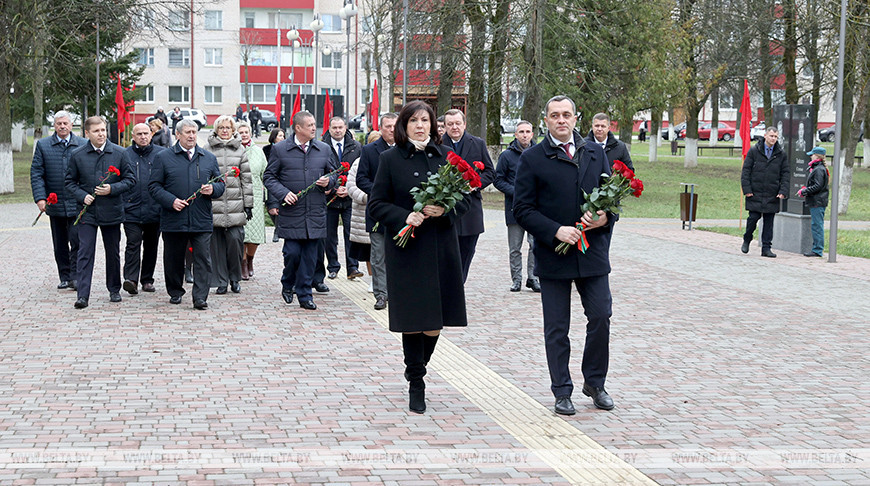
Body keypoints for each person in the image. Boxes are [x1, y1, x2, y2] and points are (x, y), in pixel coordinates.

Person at [513, 95, 615, 414]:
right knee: (557, 326)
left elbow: (611, 200)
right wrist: (555, 230)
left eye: (567, 115)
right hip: (553, 253)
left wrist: (605, 217)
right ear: (546, 120)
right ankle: (562, 389)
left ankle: (595, 382)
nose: (561, 120)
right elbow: (522, 209)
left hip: (592, 252)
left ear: (576, 118)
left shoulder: (595, 153)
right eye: (555, 115)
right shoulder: (532, 158)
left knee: (601, 315)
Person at [368, 100, 471, 414]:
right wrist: (404, 216)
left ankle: (419, 365)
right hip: (408, 251)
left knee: (435, 324)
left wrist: (446, 209)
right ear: (404, 125)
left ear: (433, 124)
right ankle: (417, 380)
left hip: (441, 248)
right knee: (414, 320)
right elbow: (376, 204)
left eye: (425, 120)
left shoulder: (447, 158)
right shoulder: (390, 159)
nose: (420, 125)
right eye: (413, 120)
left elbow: (466, 200)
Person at [263, 111, 338, 310]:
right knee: (292, 253)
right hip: (292, 212)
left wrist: (328, 181)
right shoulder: (280, 149)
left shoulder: (324, 148)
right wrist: (283, 193)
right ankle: (288, 282)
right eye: (310, 125)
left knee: (310, 257)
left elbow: (334, 174)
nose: (314, 128)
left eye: (315, 124)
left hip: (315, 212)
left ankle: (305, 295)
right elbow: (269, 177)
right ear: (298, 128)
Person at [150, 119, 225, 309]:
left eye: (194, 132)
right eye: (188, 132)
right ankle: (175, 290)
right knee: (173, 258)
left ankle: (200, 297)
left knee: (202, 259)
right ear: (178, 135)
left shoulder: (208, 157)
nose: (192, 136)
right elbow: (154, 186)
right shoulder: (163, 157)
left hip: (201, 217)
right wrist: (171, 201)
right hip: (174, 218)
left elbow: (221, 184)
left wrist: (213, 189)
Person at [65, 116, 135, 308]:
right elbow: (69, 182)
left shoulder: (119, 153)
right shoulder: (78, 155)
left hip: (111, 211)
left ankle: (114, 289)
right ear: (87, 133)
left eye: (103, 130)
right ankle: (83, 295)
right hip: (87, 212)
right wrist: (82, 196)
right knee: (84, 252)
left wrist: (112, 189)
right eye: (96, 131)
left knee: (112, 252)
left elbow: (131, 180)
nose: (101, 134)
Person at [30, 110, 87, 290]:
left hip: (77, 202)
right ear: (54, 126)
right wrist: (40, 198)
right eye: (58, 124)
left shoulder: (83, 144)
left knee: (77, 239)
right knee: (60, 242)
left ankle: (75, 276)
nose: (62, 126)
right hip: (54, 203)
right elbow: (37, 173)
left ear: (71, 125)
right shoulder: (43, 145)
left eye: (65, 123)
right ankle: (64, 275)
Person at [441, 108, 495, 282]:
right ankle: (449, 286)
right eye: (450, 124)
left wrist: (475, 184)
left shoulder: (477, 143)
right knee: (447, 253)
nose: (454, 127)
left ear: (464, 124)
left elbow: (490, 172)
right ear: (445, 126)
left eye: (458, 123)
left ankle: (459, 285)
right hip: (446, 209)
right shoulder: (437, 144)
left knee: (467, 251)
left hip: (471, 209)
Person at [207, 116, 254, 294]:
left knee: (235, 242)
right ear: (216, 130)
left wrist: (248, 204)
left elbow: (247, 180)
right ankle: (221, 280)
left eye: (228, 128)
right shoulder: (208, 149)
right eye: (221, 128)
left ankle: (235, 278)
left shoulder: (240, 150)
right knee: (216, 246)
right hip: (215, 205)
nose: (225, 131)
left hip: (235, 204)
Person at [356, 112, 398, 311]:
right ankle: (381, 294)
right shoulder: (369, 150)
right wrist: (380, 192)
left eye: (394, 126)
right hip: (378, 211)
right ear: (380, 129)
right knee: (378, 255)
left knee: (400, 254)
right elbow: (361, 179)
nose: (391, 130)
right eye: (387, 126)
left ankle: (399, 292)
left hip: (401, 212)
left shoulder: (407, 149)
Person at [494, 120, 540, 292]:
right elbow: (498, 180)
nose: (525, 135)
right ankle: (516, 279)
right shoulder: (507, 155)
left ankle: (533, 277)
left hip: (535, 208)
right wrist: (516, 192)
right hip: (514, 208)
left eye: (528, 131)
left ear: (532, 134)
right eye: (521, 132)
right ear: (515, 134)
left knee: (535, 244)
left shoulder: (539, 153)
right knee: (515, 247)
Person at [121, 123, 165, 295]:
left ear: (152, 134)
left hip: (155, 208)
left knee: (151, 245)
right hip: (131, 207)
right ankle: (131, 279)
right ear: (133, 136)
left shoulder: (161, 154)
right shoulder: (124, 154)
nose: (143, 137)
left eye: (146, 133)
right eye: (139, 134)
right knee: (133, 243)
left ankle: (147, 279)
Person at [319, 116, 363, 281]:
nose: (337, 131)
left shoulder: (356, 147)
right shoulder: (322, 147)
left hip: (349, 198)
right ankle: (333, 266)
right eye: (334, 128)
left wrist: (350, 189)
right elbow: (320, 169)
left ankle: (353, 267)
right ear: (329, 129)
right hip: (329, 198)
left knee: (350, 234)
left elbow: (360, 171)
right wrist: (333, 188)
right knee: (329, 236)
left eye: (340, 127)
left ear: (346, 128)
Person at [741, 126, 789, 258]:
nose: (773, 139)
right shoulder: (754, 151)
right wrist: (747, 190)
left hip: (772, 193)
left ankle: (766, 248)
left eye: (775, 137)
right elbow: (746, 172)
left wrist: (783, 190)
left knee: (769, 222)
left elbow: (785, 173)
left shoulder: (781, 154)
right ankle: (747, 238)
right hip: (755, 192)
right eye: (771, 136)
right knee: (753, 219)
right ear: (765, 136)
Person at [238, 121, 267, 278]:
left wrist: (268, 199)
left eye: (246, 132)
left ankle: (250, 259)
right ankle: (242, 263)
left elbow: (266, 174)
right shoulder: (234, 150)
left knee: (254, 235)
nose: (243, 134)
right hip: (238, 195)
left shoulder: (258, 151)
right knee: (242, 232)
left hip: (255, 195)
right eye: (240, 132)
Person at [798, 147, 829, 258]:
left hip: (818, 201)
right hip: (817, 200)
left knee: (817, 225)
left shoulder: (819, 169)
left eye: (812, 155)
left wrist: (805, 191)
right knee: (816, 225)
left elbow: (818, 186)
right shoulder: (818, 168)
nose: (810, 156)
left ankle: (817, 250)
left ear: (817, 156)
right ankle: (817, 248)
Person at [264, 127, 286, 243]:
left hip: (283, 179)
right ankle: (276, 226)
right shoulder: (267, 149)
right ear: (274, 137)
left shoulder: (287, 148)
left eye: (283, 136)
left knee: (279, 206)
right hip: (270, 178)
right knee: (270, 206)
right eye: (279, 136)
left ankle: (277, 230)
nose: (282, 138)